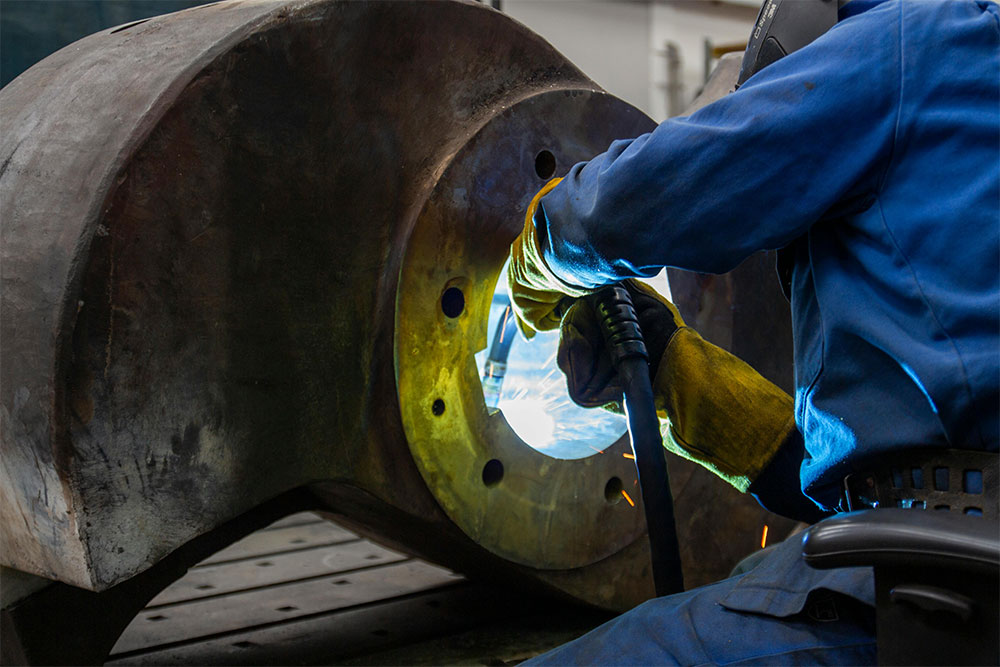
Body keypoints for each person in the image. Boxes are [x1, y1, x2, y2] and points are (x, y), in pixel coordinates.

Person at [506, 0, 999, 663]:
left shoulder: (910, 42)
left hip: (937, 596)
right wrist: (680, 384)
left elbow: (655, 194)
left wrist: (543, 244)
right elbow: (914, 462)